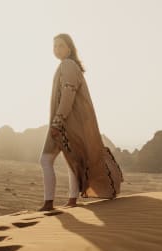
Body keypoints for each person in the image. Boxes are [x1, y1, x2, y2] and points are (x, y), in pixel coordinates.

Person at [39, 33, 122, 212]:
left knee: (45, 159)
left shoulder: (68, 65)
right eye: (54, 46)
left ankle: (48, 203)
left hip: (65, 122)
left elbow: (69, 92)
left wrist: (58, 120)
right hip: (69, 122)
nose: (57, 49)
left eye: (61, 46)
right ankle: (71, 199)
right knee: (72, 160)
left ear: (70, 48)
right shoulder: (67, 65)